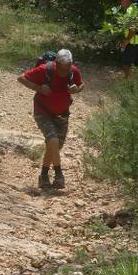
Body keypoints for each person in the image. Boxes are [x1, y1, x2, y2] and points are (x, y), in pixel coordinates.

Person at [18, 48, 84, 190]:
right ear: (57, 63)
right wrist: (38, 88)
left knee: (54, 147)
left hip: (62, 114)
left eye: (68, 67)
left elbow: (81, 84)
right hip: (43, 112)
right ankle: (59, 175)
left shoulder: (73, 71)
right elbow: (21, 78)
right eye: (63, 67)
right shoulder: (45, 69)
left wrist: (77, 89)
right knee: (53, 140)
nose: (65, 70)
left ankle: (43, 176)